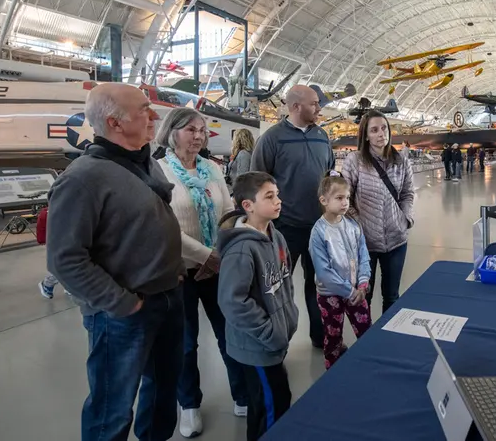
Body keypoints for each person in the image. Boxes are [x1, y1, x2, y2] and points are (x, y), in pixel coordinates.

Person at [46, 83, 185, 441]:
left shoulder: (145, 162)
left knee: (162, 393)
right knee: (111, 409)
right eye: (143, 110)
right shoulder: (82, 180)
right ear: (115, 123)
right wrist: (124, 303)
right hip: (122, 314)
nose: (154, 116)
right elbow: (66, 259)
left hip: (167, 297)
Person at [155, 108, 248, 437]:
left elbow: (227, 213)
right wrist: (206, 255)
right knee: (185, 342)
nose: (198, 136)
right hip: (179, 271)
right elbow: (165, 228)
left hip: (217, 268)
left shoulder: (211, 168)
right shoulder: (160, 171)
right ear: (172, 132)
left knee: (230, 333)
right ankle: (189, 404)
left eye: (202, 130)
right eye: (190, 129)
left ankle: (242, 392)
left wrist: (220, 254)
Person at [251, 84, 334, 349]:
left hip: (319, 228)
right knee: (279, 288)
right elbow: (257, 181)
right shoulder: (272, 138)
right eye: (313, 103)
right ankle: (277, 341)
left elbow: (330, 172)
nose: (319, 108)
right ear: (296, 106)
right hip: (285, 228)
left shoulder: (322, 136)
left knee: (319, 284)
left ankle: (321, 337)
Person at [217, 172, 298, 441]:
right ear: (248, 206)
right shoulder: (241, 250)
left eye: (277, 194)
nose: (279, 201)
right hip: (256, 346)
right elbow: (232, 301)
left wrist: (290, 317)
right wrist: (269, 332)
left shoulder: (277, 237)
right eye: (269, 196)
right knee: (271, 407)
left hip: (273, 341)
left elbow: (285, 282)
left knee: (269, 401)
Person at [342, 110, 415, 312]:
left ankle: (387, 340)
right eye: (374, 130)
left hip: (397, 240)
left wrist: (405, 219)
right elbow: (345, 198)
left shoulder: (401, 161)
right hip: (365, 243)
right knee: (364, 296)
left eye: (384, 128)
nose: (381, 133)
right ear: (365, 135)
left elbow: (408, 193)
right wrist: (360, 225)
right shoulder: (354, 161)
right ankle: (367, 340)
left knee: (392, 297)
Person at [309, 173, 372, 369]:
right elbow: (324, 273)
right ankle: (333, 368)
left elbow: (364, 255)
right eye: (339, 198)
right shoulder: (318, 232)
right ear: (324, 201)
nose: (345, 203)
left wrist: (362, 283)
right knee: (333, 334)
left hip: (356, 291)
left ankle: (370, 364)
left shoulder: (353, 225)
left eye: (347, 197)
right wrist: (350, 291)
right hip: (330, 295)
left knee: (366, 330)